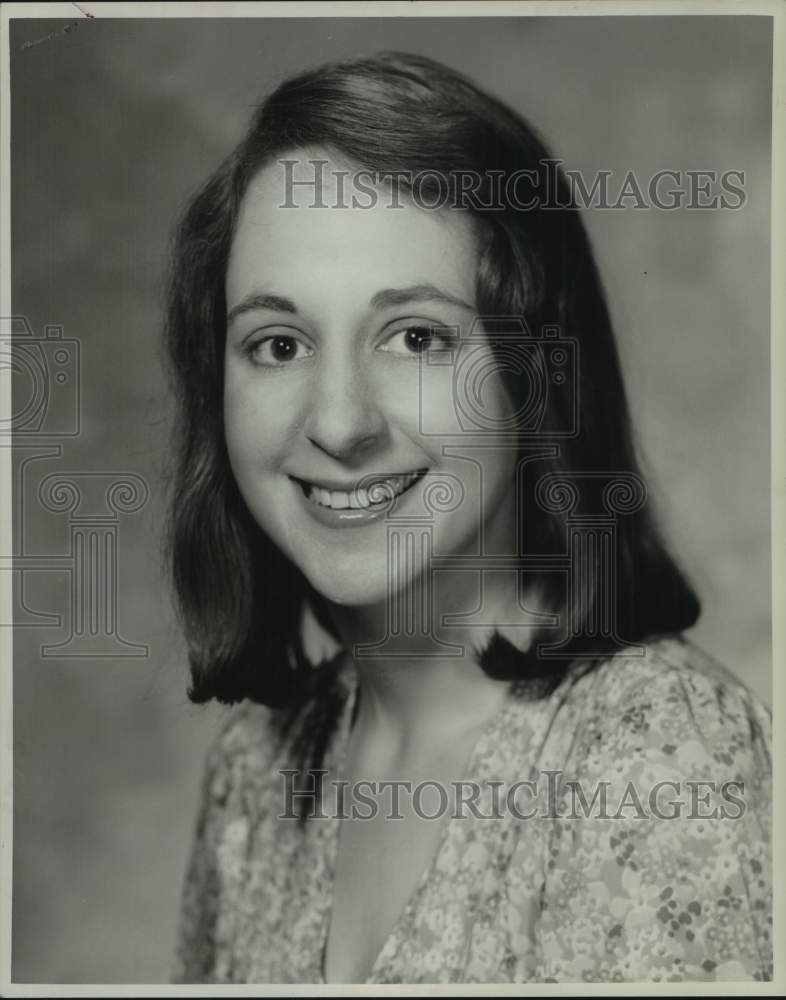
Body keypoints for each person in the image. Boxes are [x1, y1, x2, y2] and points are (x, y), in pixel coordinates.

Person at [164, 52, 772, 984]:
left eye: (416, 337)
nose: (338, 423)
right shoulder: (256, 771)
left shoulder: (661, 753)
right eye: (277, 344)